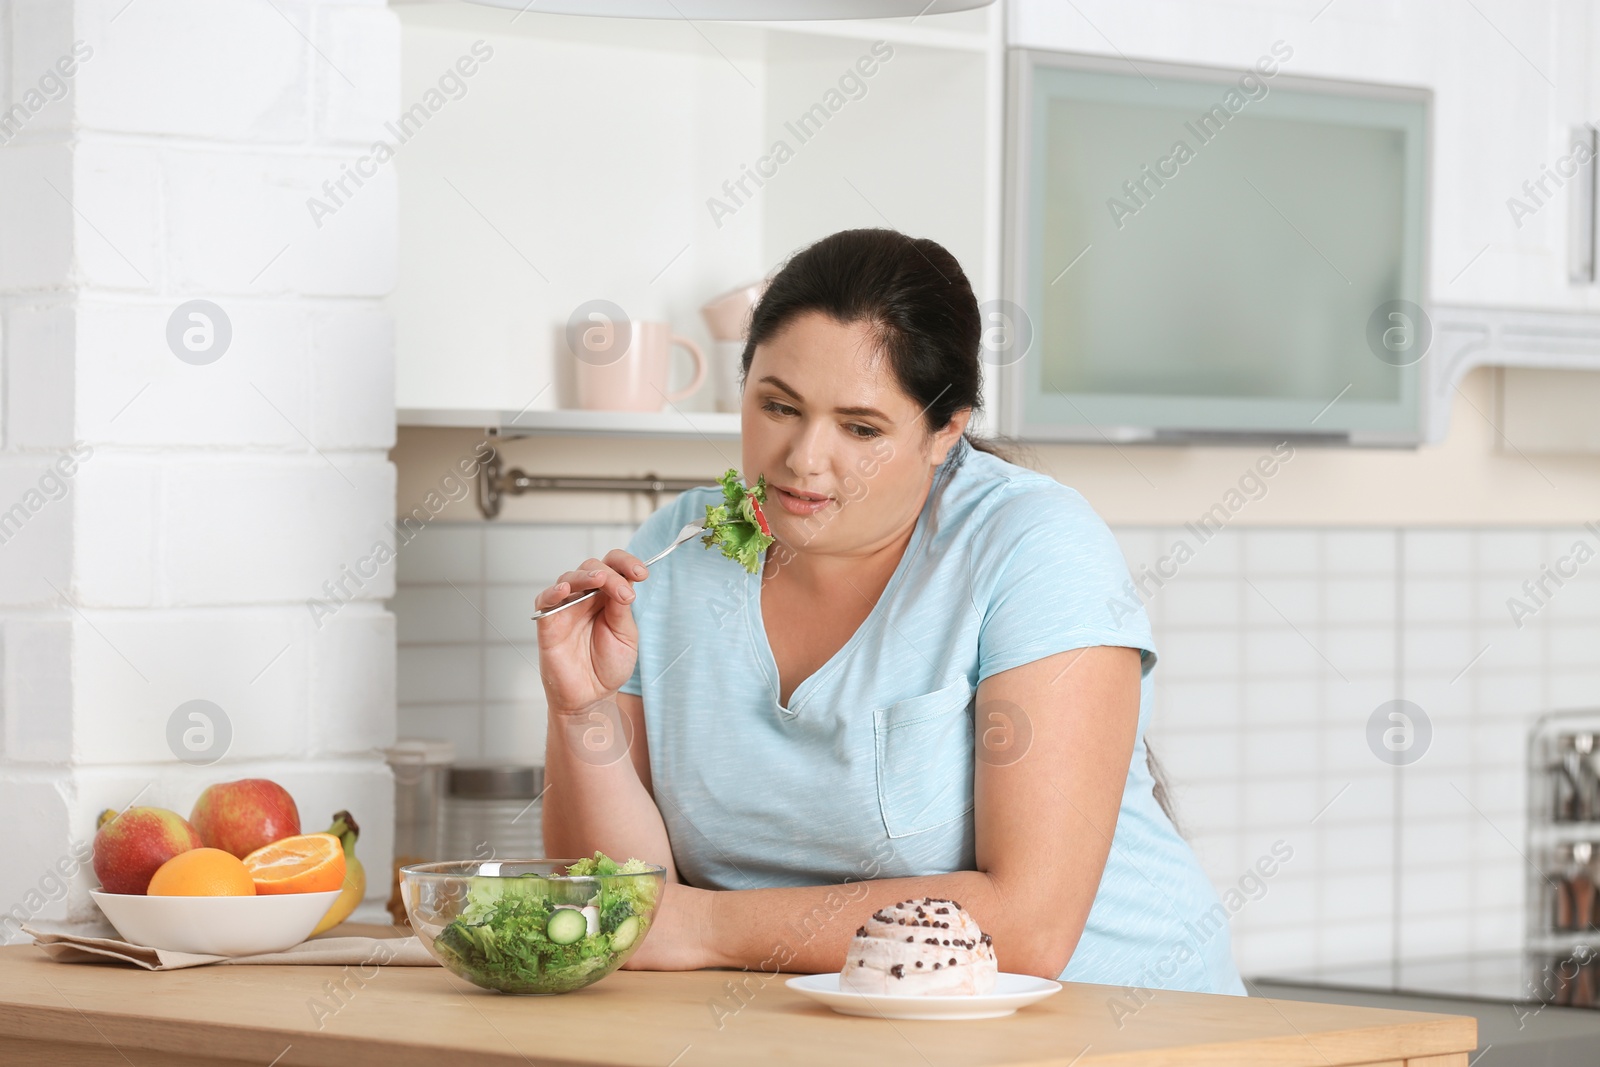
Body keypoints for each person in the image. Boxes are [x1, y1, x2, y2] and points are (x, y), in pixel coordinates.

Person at [535, 228, 1246, 995]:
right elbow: (618, 905)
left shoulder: (1031, 546)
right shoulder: (676, 551)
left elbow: (1028, 923)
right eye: (778, 406)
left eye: (861, 427)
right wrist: (583, 708)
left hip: (1121, 1031)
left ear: (946, 430)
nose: (805, 457)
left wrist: (702, 926)